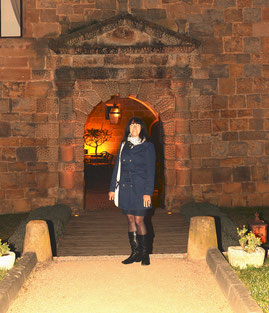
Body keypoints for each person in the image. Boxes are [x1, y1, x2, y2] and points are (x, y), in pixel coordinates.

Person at [108, 117, 156, 266]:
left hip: (141, 189)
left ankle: (145, 253)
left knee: (139, 220)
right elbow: (117, 168)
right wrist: (112, 189)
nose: (134, 128)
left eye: (137, 126)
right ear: (128, 128)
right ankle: (135, 253)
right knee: (130, 219)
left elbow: (151, 171)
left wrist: (148, 191)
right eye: (132, 125)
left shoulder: (148, 146)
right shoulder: (124, 145)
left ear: (142, 129)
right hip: (125, 188)